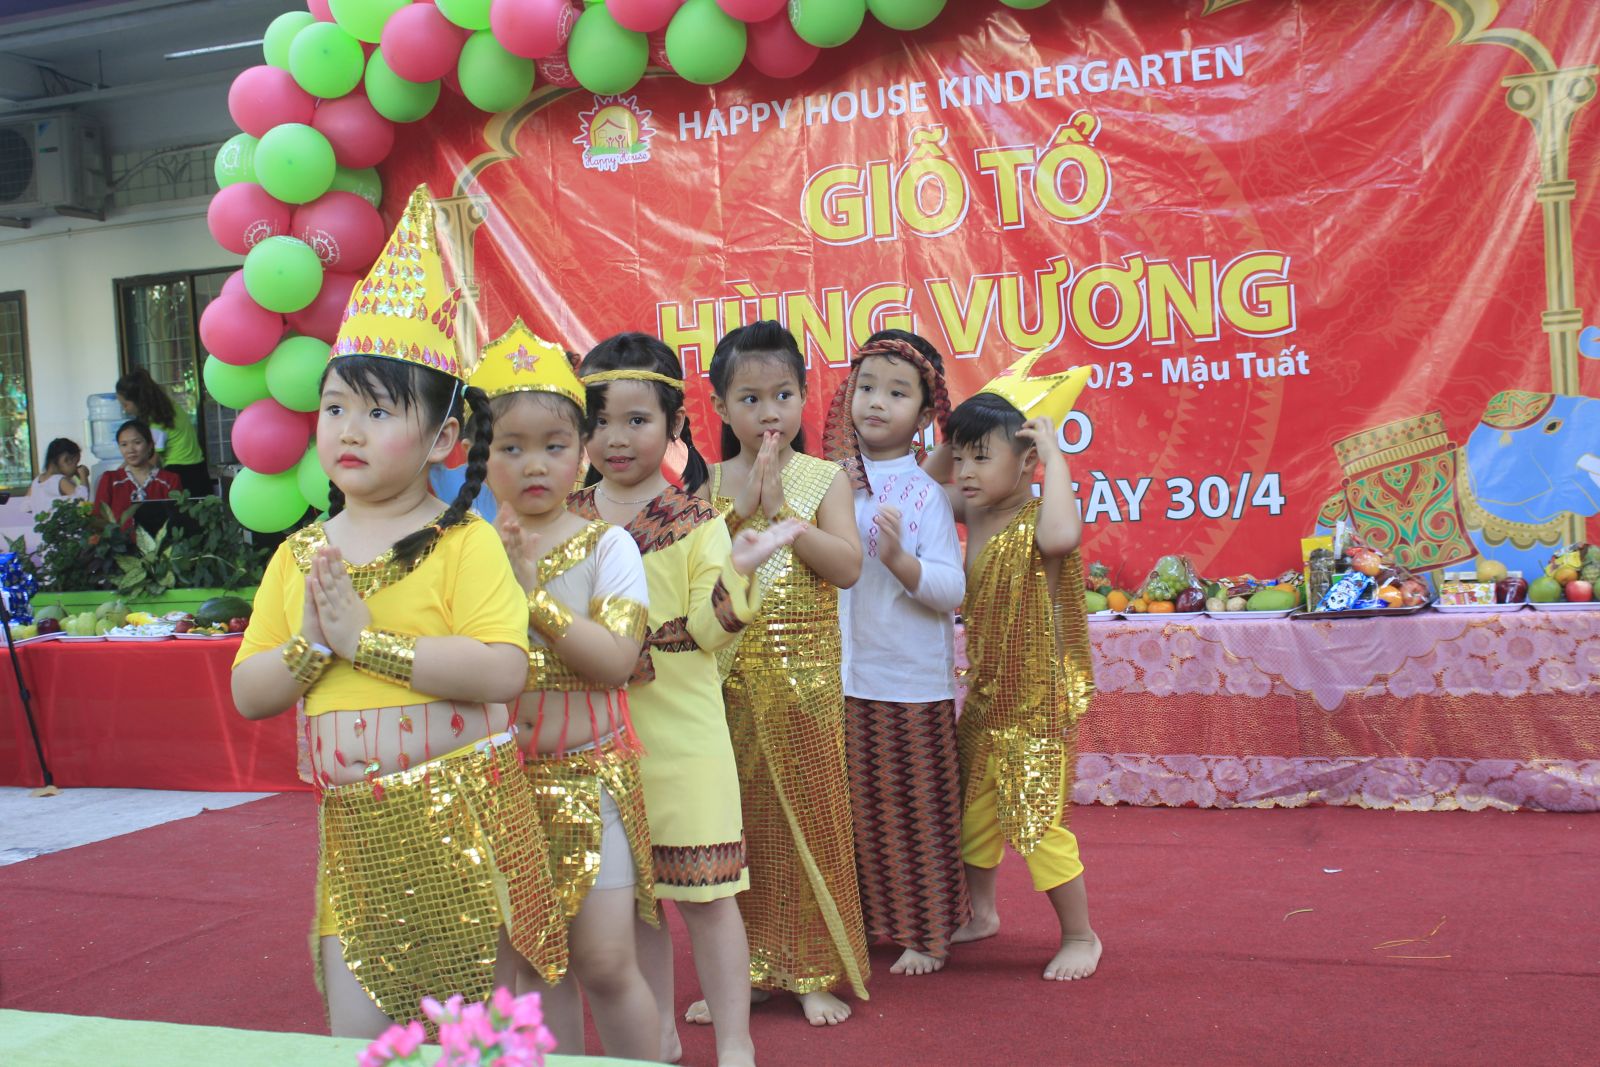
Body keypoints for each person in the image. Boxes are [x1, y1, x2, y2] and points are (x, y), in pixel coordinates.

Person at [230, 187, 561, 1037]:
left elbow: (505, 669)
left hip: (469, 820)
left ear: (444, 440)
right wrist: (312, 646)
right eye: (336, 408)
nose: (349, 429)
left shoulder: (463, 541)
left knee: (481, 1041)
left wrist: (366, 643)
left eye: (379, 411)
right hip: (358, 835)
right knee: (365, 1037)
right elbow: (249, 691)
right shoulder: (300, 556)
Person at [574, 332, 803, 1067]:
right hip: (597, 741)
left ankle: (735, 1042)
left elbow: (708, 631)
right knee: (631, 903)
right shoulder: (567, 520)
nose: (616, 438)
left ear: (675, 424)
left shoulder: (697, 521)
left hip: (685, 739)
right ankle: (658, 1038)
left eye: (637, 420)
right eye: (599, 421)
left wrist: (740, 568)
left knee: (709, 898)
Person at [469, 321, 660, 1062]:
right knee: (525, 967)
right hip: (495, 787)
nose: (533, 465)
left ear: (581, 450)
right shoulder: (463, 551)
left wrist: (532, 600)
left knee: (605, 962)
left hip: (590, 780)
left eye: (553, 446)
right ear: (478, 453)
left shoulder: (608, 544)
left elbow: (616, 660)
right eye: (509, 447)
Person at [697, 320, 869, 1027]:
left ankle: (812, 971)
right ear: (719, 406)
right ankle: (743, 972)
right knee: (733, 832)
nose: (769, 413)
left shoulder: (825, 478)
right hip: (725, 684)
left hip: (806, 686)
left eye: (783, 395)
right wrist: (741, 509)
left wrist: (784, 515)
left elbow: (849, 567)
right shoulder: (707, 484)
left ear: (803, 396)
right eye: (750, 398)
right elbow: (697, 575)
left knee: (809, 827)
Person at [924, 353, 1102, 982]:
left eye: (982, 457)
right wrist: (959, 435)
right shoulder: (971, 509)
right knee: (972, 813)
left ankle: (1081, 935)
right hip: (987, 696)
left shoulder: (1036, 519)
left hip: (1036, 704)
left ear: (1027, 463)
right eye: (961, 458)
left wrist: (1053, 454)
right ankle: (982, 913)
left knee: (1037, 823)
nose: (966, 472)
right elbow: (923, 489)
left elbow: (1060, 538)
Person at [821, 331, 971, 977]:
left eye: (897, 392)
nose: (877, 402)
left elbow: (952, 589)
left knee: (916, 811)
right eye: (867, 387)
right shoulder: (829, 481)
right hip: (842, 678)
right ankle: (866, 923)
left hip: (909, 682)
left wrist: (901, 563)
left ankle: (928, 931)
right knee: (856, 812)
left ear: (926, 412)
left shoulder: (923, 492)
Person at [115, 366, 210, 496]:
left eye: (125, 404)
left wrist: (120, 478)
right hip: (199, 469)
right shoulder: (168, 407)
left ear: (139, 401)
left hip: (180, 474)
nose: (124, 409)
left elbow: (149, 461)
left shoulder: (156, 422)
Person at [93, 420, 181, 529]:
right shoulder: (110, 479)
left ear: (150, 445)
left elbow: (177, 520)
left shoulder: (170, 480)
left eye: (137, 442)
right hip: (118, 540)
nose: (130, 450)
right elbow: (98, 518)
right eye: (124, 444)